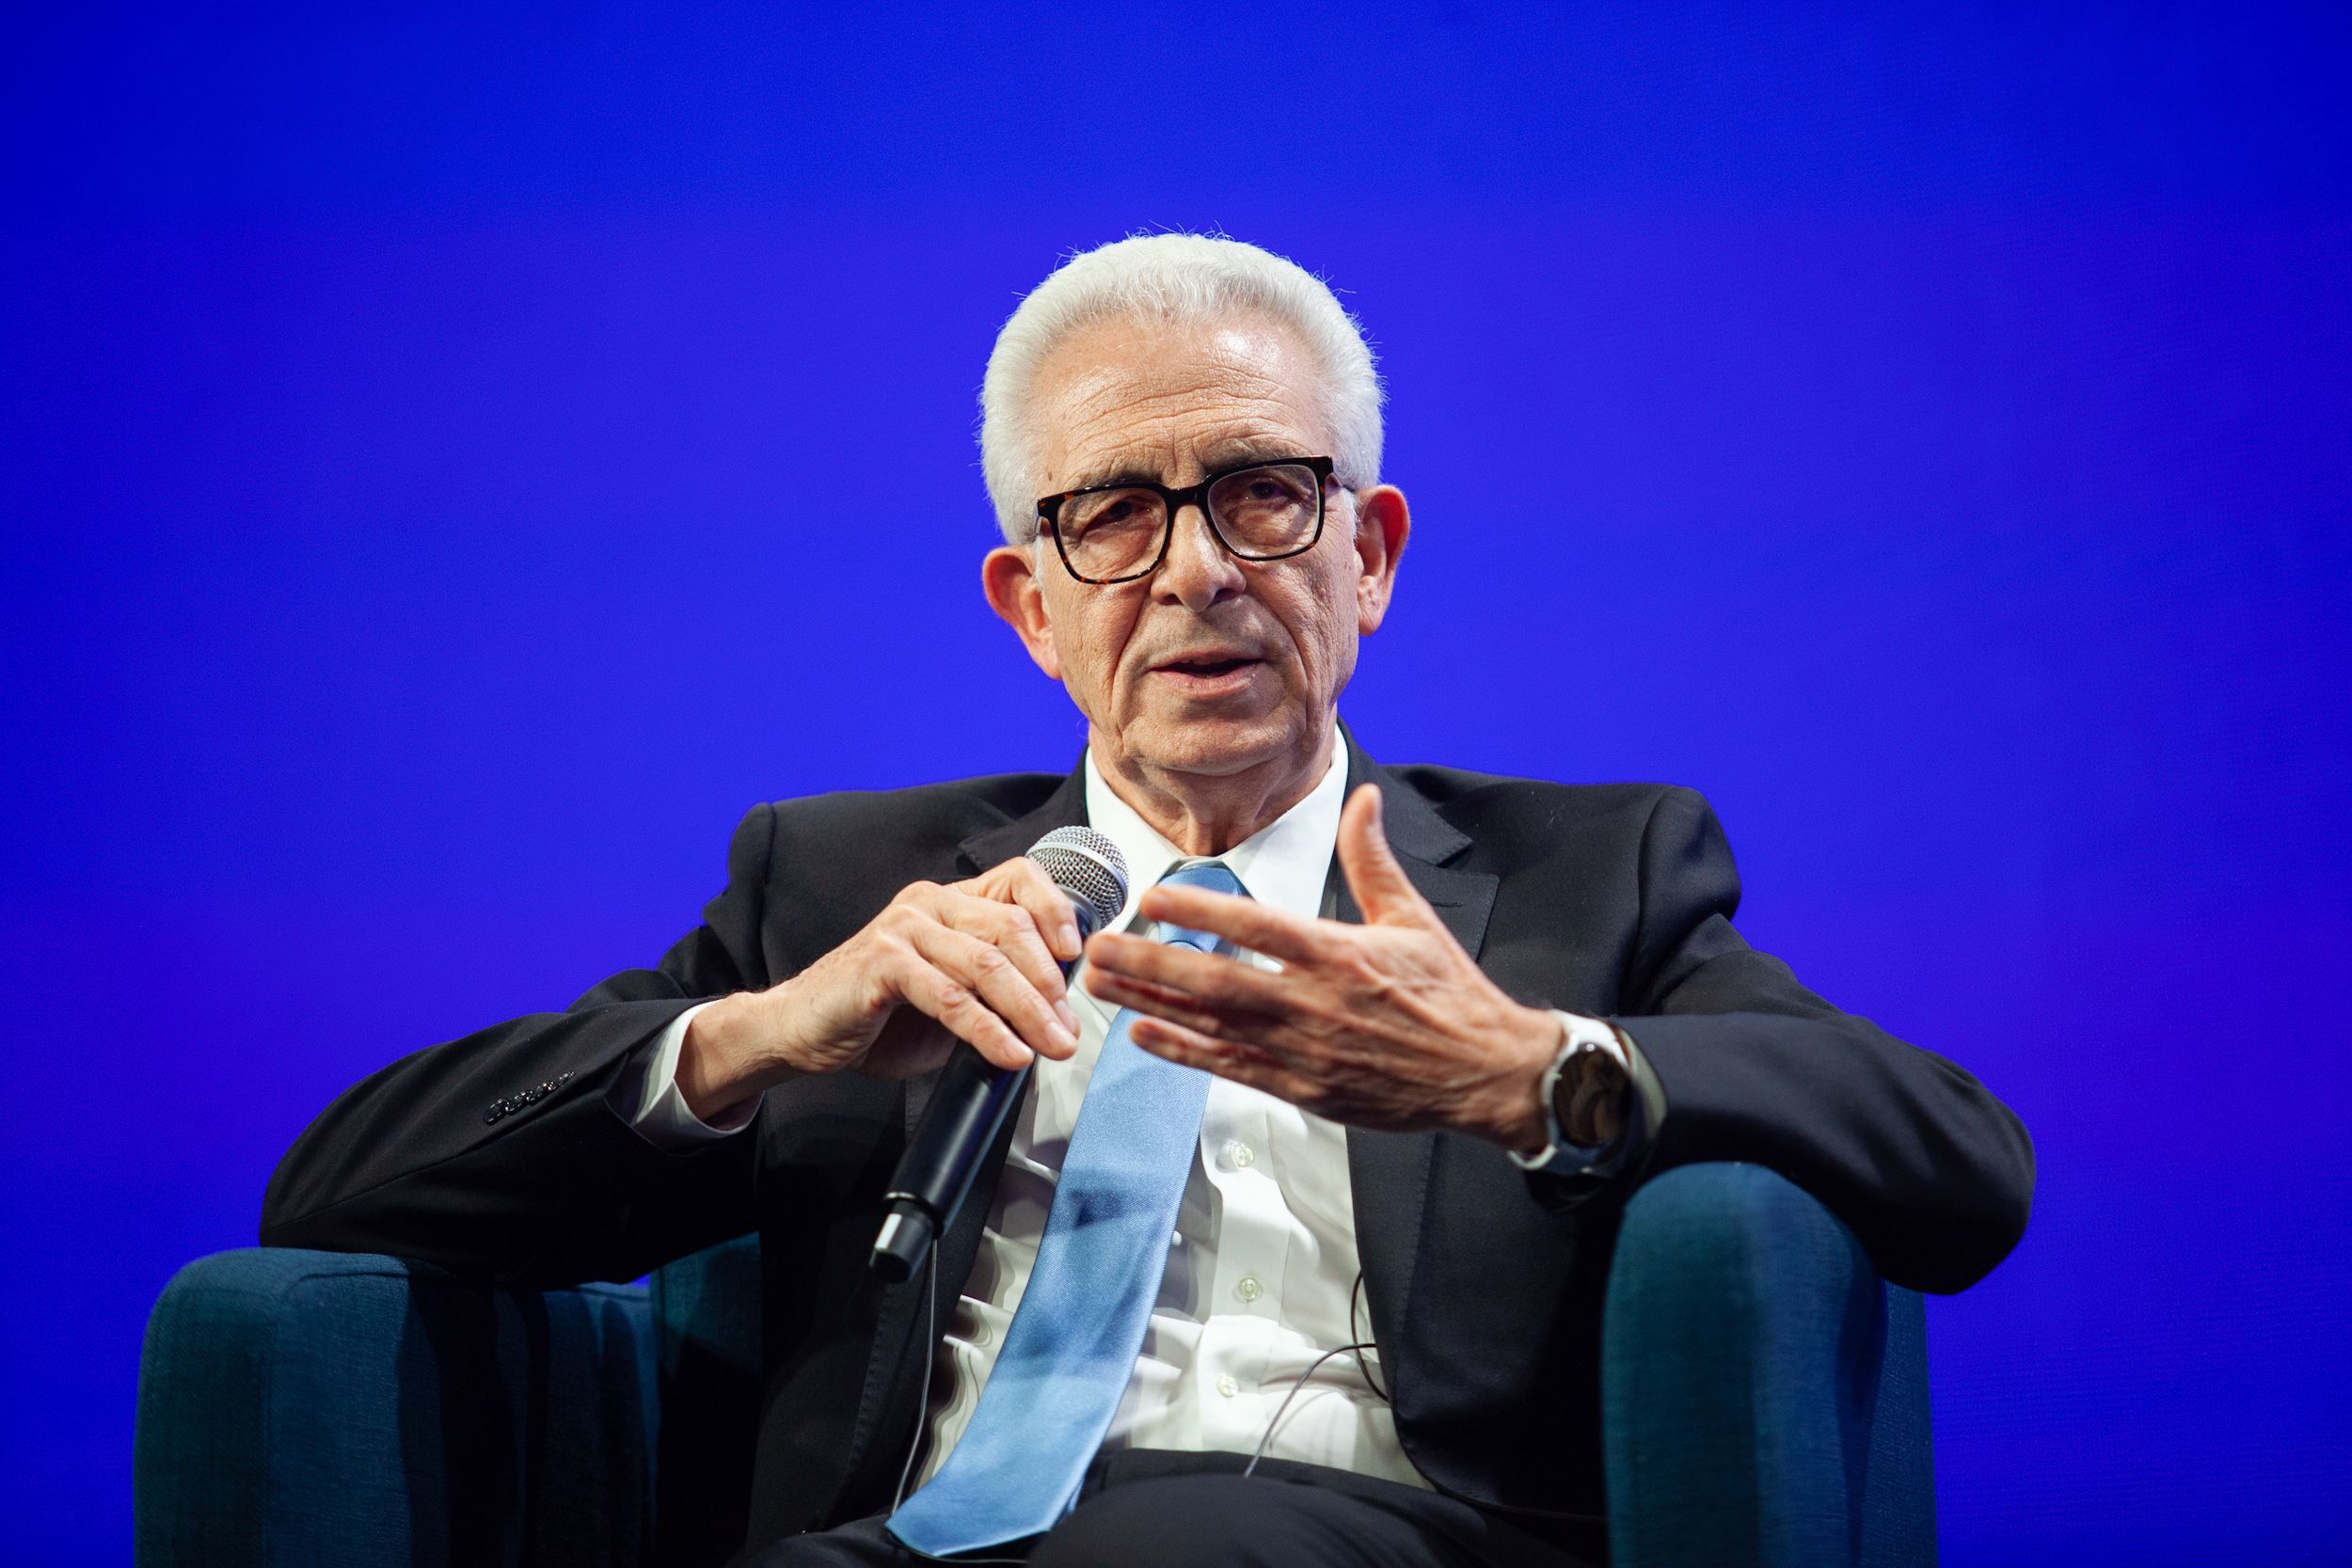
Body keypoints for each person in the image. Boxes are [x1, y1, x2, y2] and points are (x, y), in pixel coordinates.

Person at [262, 233, 2034, 1568]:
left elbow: (1963, 1162)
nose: (1196, 572)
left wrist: (1525, 1072)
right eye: (1113, 514)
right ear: (1032, 607)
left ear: (1369, 557)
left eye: (1264, 495)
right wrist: (762, 1035)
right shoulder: (845, 890)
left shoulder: (1591, 874)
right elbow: (335, 1191)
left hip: (1370, 1530)